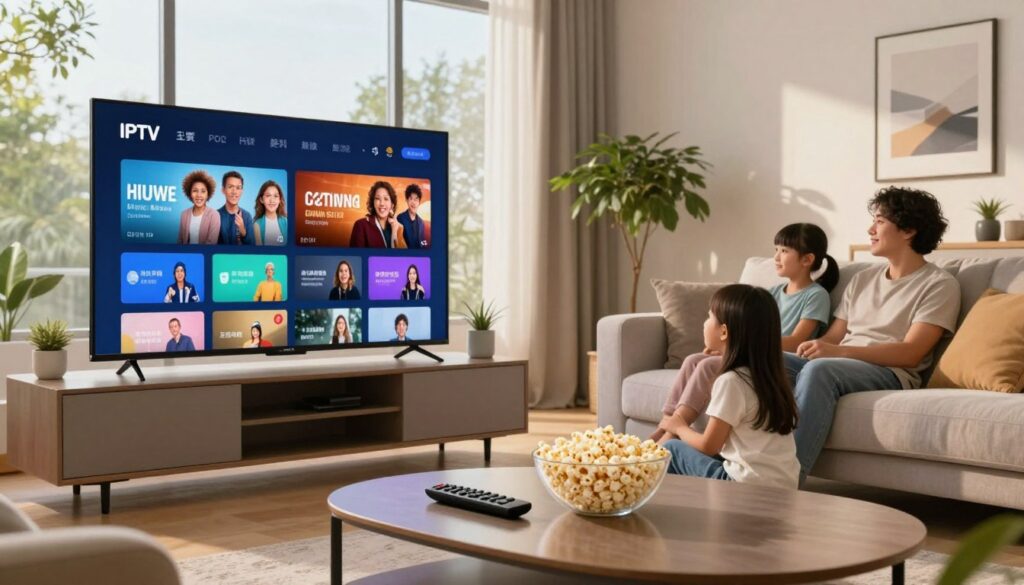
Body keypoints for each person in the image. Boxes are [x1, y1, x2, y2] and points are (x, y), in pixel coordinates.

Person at [785, 186, 961, 482]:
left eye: (879, 221)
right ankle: (729, 468)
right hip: (839, 362)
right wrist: (811, 346)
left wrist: (837, 352)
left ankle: (786, 481)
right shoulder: (862, 279)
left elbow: (911, 352)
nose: (870, 229)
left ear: (908, 230)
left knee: (821, 370)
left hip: (890, 372)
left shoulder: (939, 284)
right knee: (757, 361)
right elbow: (834, 338)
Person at [651, 222, 838, 443]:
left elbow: (797, 340)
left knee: (707, 365)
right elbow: (750, 330)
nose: (776, 257)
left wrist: (737, 349)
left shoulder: (816, 296)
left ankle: (674, 431)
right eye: (776, 249)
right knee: (693, 359)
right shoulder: (774, 292)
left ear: (807, 259)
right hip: (753, 356)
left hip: (780, 363)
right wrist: (728, 349)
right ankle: (665, 423)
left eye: (785, 251)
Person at [661, 284, 800, 489]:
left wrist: (679, 427)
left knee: (672, 448)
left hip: (744, 486)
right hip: (784, 487)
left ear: (724, 331)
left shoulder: (731, 382)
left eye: (709, 317)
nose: (705, 323)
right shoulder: (771, 377)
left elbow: (709, 446)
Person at [348, 181, 407, 248]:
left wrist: (395, 232)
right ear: (373, 203)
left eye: (386, 199)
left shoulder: (398, 228)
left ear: (392, 205)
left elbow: (404, 257)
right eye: (377, 198)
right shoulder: (361, 225)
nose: (382, 203)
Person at [177, 170, 221, 244]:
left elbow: (211, 243)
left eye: (203, 191)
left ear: (208, 194)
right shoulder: (184, 214)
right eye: (195, 191)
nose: (199, 195)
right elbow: (180, 241)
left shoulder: (214, 215)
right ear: (190, 193)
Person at [217, 171, 255, 245]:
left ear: (242, 191)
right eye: (230, 187)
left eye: (238, 188)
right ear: (223, 190)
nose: (234, 192)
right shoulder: (216, 215)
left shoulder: (247, 216)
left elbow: (253, 249)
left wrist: (243, 233)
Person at [253, 180, 288, 246]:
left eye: (276, 196)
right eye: (268, 195)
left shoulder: (286, 222)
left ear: (280, 200)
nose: (272, 200)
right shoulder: (257, 226)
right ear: (261, 200)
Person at [396, 183, 430, 249]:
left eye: (416, 199)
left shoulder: (421, 222)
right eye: (411, 199)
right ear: (406, 200)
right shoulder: (400, 218)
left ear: (419, 202)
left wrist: (425, 245)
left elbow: (422, 242)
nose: (413, 202)